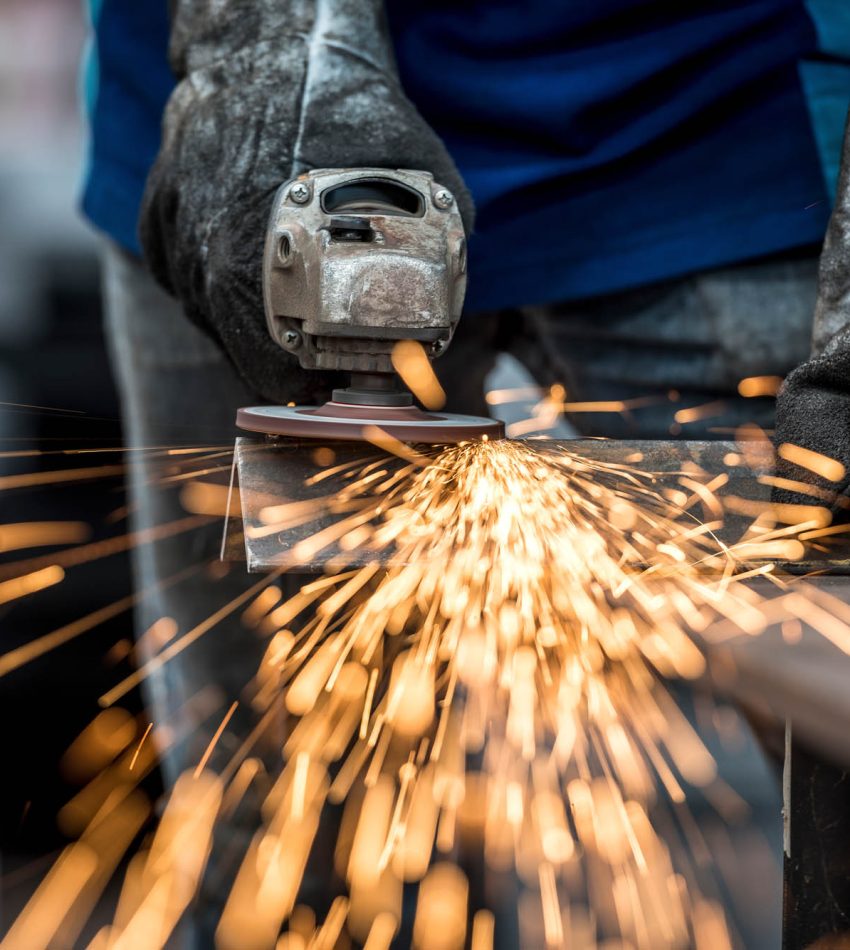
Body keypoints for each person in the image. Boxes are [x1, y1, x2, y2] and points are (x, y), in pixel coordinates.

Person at [81, 0, 850, 941]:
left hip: (710, 129)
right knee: (281, 829)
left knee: (788, 818)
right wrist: (259, 52)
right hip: (247, 170)